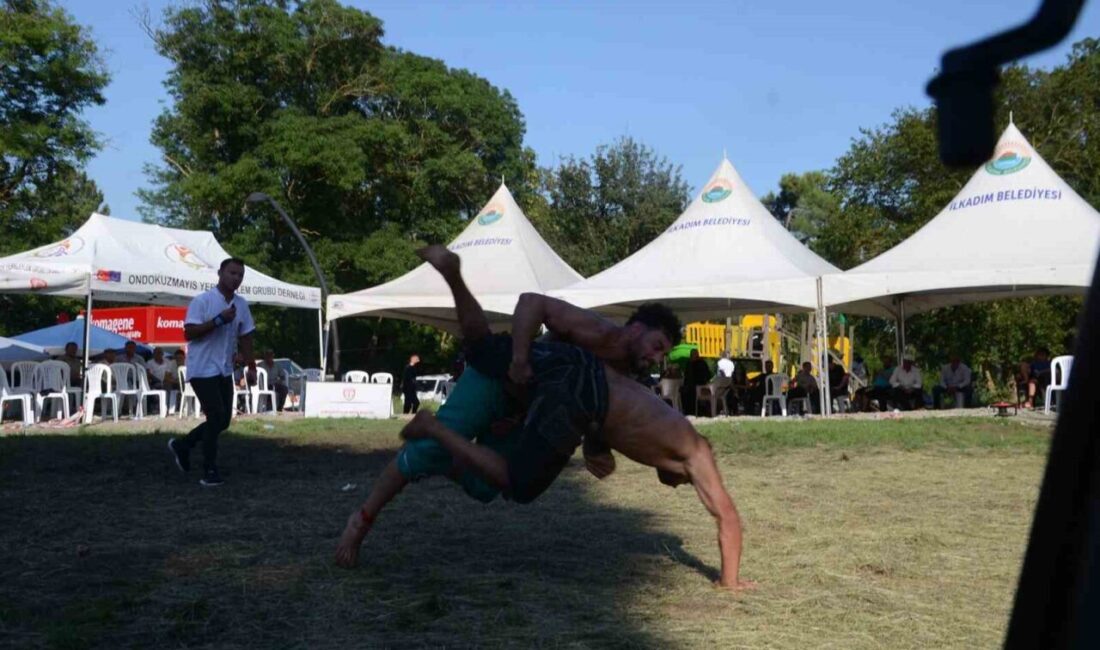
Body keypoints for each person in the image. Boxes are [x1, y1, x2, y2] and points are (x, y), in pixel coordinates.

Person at [336, 246, 751, 590]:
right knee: (448, 451)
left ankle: (453, 280)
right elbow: (531, 304)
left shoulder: (631, 377)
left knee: (484, 485)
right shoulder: (596, 332)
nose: (656, 359)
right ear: (637, 327)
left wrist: (591, 444)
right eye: (658, 346)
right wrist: (518, 358)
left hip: (534, 398)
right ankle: (363, 518)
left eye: (662, 354)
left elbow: (612, 418)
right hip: (513, 378)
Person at [167, 258, 256, 487]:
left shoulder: (242, 305)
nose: (236, 278)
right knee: (215, 416)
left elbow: (246, 337)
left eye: (240, 275)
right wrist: (218, 320)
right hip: (201, 368)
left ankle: (183, 445)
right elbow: (189, 333)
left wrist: (251, 366)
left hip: (224, 369)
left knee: (223, 421)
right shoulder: (203, 301)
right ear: (220, 273)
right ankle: (209, 470)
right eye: (232, 273)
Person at [681, 348, 711, 414]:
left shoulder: (702, 363)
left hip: (699, 386)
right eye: (692, 354)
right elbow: (686, 376)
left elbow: (706, 376)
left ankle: (694, 411)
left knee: (690, 392)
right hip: (690, 386)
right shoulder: (689, 363)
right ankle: (688, 410)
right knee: (683, 392)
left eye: (694, 354)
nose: (693, 356)